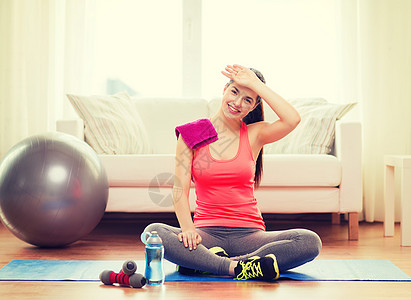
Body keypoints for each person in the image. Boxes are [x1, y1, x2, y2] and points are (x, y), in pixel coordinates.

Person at [144, 64, 322, 281]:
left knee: (309, 241)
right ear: (224, 90)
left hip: (250, 235)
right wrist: (188, 229)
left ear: (254, 105)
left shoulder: (255, 134)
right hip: (206, 233)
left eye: (248, 99)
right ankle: (239, 268)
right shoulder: (192, 134)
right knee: (154, 232)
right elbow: (179, 187)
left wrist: (255, 84)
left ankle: (209, 263)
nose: (237, 103)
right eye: (234, 92)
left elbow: (292, 119)